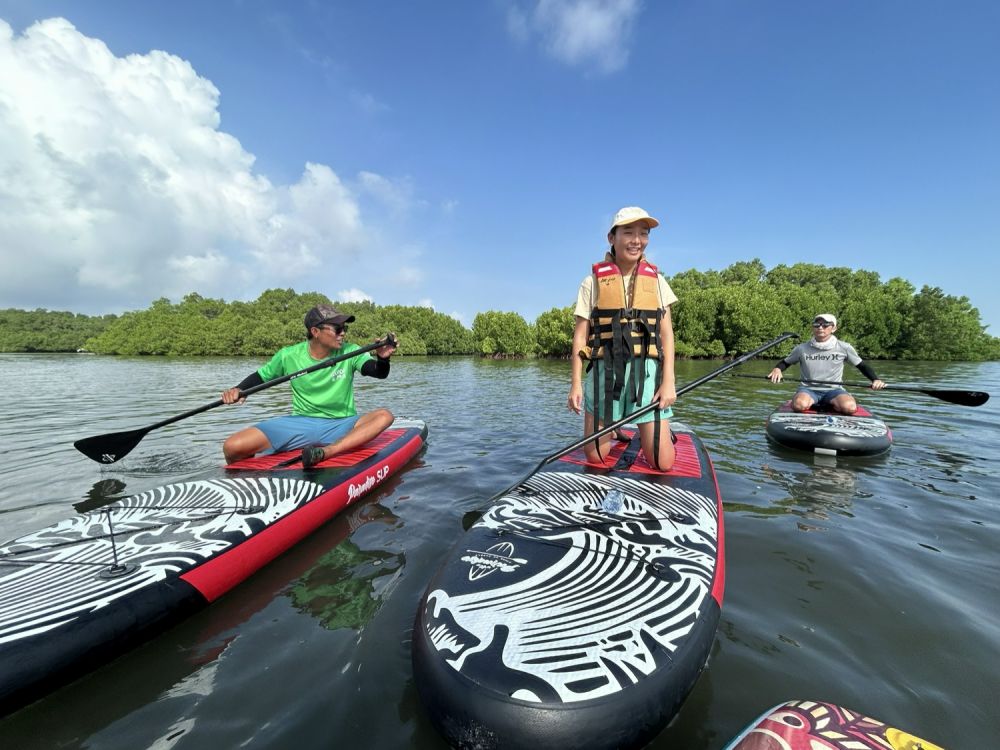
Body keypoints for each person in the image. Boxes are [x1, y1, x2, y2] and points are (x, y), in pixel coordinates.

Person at [567, 206, 678, 470]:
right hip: (605, 373)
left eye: (643, 233)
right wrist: (575, 384)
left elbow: (666, 334)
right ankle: (615, 427)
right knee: (595, 457)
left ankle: (657, 430)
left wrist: (669, 381)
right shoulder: (591, 282)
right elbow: (580, 337)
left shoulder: (658, 281)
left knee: (663, 464)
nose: (637, 240)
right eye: (628, 232)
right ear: (611, 237)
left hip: (646, 374)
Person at [221, 304, 398, 467]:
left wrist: (383, 359)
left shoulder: (351, 351)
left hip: (341, 423)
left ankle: (326, 452)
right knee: (232, 446)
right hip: (300, 423)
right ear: (315, 331)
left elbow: (378, 372)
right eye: (337, 329)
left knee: (385, 416)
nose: (343, 333)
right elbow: (261, 376)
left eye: (345, 328)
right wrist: (239, 389)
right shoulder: (288, 355)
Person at [768, 313, 886, 414]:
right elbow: (785, 363)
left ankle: (831, 404)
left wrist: (875, 379)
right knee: (799, 405)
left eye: (825, 325)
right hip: (808, 389)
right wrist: (777, 369)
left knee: (849, 408)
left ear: (833, 328)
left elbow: (862, 366)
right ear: (813, 328)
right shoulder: (801, 348)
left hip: (834, 390)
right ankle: (806, 402)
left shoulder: (844, 347)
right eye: (817, 325)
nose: (820, 327)